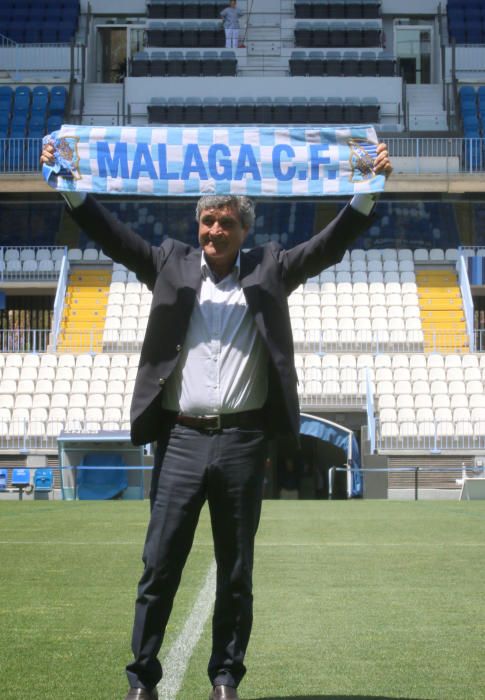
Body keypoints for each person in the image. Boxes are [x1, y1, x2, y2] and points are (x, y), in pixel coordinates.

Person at [40, 142, 392, 700]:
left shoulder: (270, 267)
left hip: (242, 441)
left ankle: (225, 677)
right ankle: (142, 678)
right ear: (197, 225)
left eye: (225, 222)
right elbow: (110, 235)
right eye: (207, 221)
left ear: (242, 229)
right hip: (180, 438)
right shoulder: (168, 263)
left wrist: (367, 193)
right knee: (158, 565)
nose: (214, 231)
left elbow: (329, 247)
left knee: (235, 571)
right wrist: (70, 187)